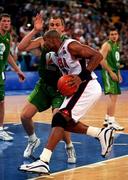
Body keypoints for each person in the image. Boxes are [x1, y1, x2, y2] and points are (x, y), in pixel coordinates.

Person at [19, 29, 115, 174]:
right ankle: (100, 133)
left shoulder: (71, 46)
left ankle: (43, 161)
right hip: (76, 88)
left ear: (53, 40)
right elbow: (23, 47)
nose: (44, 44)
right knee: (64, 122)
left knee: (59, 117)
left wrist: (80, 76)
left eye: (46, 41)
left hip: (86, 85)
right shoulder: (56, 54)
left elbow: (98, 56)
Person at [18, 14, 76, 163]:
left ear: (63, 27)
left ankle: (69, 146)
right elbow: (20, 47)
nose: (54, 27)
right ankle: (32, 140)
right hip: (44, 85)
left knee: (58, 119)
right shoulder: (43, 41)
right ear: (48, 27)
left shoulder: (69, 44)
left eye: (57, 25)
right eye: (51, 25)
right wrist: (34, 31)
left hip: (61, 89)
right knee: (24, 115)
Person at [0, 13, 25, 141]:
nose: (6, 23)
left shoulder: (8, 37)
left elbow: (8, 56)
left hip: (1, 73)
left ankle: (0, 129)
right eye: (4, 21)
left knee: (1, 102)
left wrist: (18, 70)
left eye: (8, 21)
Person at [100, 27, 124, 131]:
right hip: (108, 72)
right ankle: (111, 122)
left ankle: (107, 119)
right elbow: (101, 60)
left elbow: (116, 62)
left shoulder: (116, 45)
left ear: (118, 35)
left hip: (114, 72)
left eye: (115, 34)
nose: (114, 36)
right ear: (109, 36)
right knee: (113, 97)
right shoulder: (107, 45)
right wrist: (110, 72)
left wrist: (118, 73)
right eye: (112, 34)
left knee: (113, 97)